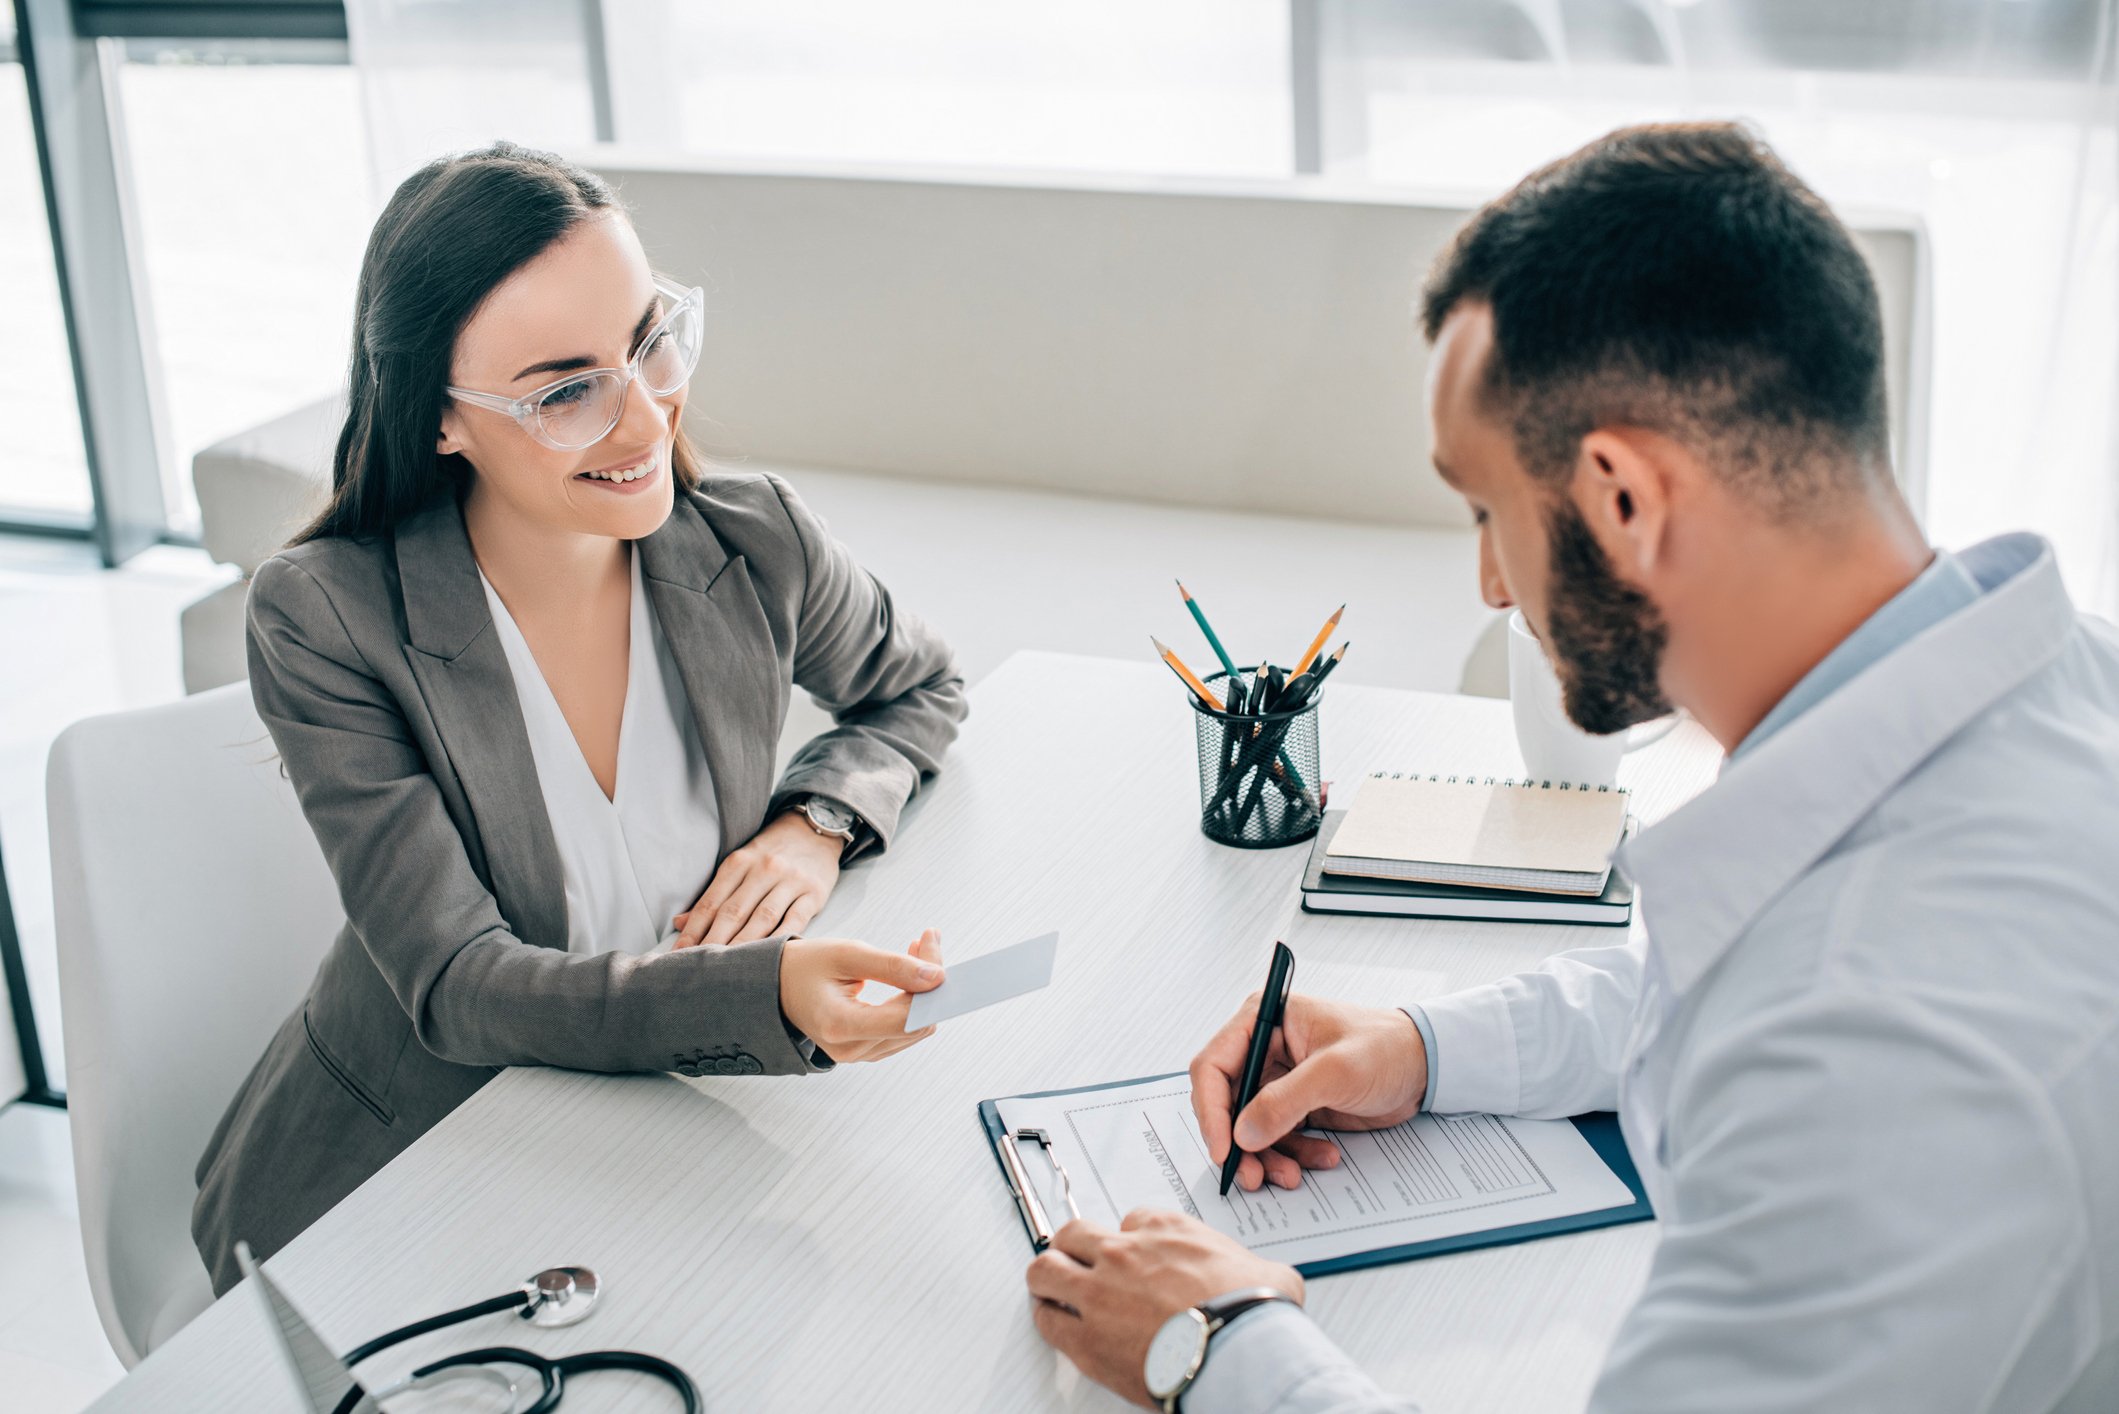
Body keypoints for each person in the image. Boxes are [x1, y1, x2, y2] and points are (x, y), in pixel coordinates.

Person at [1024, 122, 2119, 1411]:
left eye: (1487, 509)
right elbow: (1724, 965)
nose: (1490, 580)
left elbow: (1822, 1002)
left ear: (1620, 498)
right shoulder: (2049, 689)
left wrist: (1214, 1344)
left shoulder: (1872, 1056)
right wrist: (1422, 1047)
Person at [193, 143, 967, 1293]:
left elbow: (920, 688)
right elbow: (459, 982)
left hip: (660, 1141)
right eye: (566, 390)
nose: (645, 415)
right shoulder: (324, 617)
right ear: (441, 419)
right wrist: (764, 997)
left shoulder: (756, 540)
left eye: (650, 341)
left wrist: (813, 821)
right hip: (411, 1173)